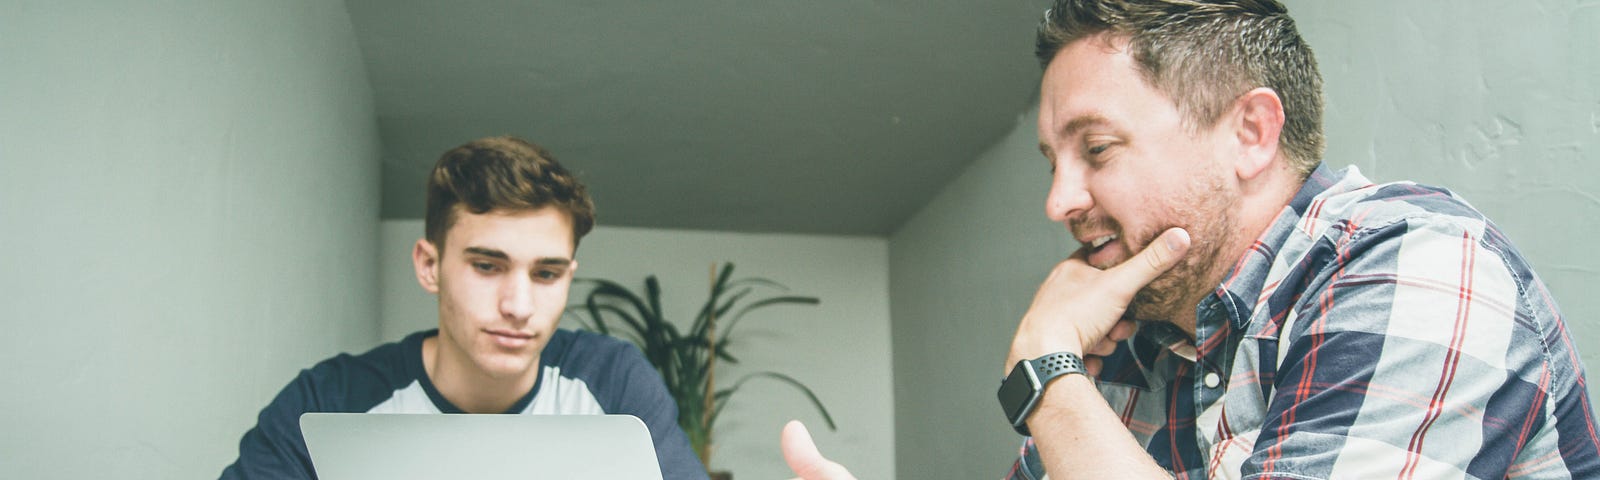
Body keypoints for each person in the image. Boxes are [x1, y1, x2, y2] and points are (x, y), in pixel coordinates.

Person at [783, 1, 1600, 479]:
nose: (1059, 199)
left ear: (1249, 131)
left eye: (1096, 149)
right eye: (1052, 161)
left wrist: (1043, 367)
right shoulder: (1132, 348)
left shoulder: (1419, 265)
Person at [219, 136, 708, 479]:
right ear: (429, 265)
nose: (519, 306)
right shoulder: (329, 401)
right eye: (487, 266)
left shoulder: (612, 382)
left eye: (546, 274)